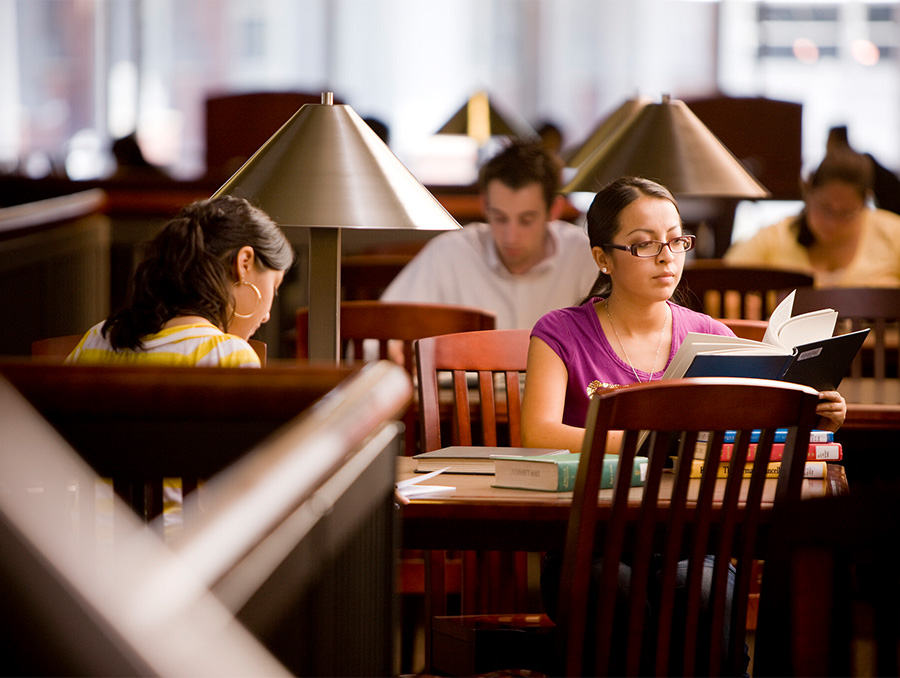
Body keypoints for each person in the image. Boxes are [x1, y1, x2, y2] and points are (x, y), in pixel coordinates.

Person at [521, 176, 846, 675]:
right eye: (644, 244)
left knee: (702, 592)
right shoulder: (561, 331)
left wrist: (810, 413)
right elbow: (538, 433)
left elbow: (746, 436)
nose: (667, 256)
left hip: (696, 541)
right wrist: (650, 444)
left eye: (677, 240)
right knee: (616, 594)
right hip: (592, 544)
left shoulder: (713, 337)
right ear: (602, 257)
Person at [379, 139, 597, 330]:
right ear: (484, 205)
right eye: (500, 218)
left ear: (554, 211)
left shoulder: (582, 255)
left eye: (526, 220)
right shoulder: (451, 253)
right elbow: (377, 334)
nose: (511, 237)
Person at [67, 195, 294, 367]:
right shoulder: (229, 357)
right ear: (244, 263)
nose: (266, 316)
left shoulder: (99, 338)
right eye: (273, 287)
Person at [723, 147, 900, 287]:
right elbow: (720, 283)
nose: (832, 223)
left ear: (864, 204)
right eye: (825, 208)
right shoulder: (775, 238)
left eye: (846, 213)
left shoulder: (893, 233)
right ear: (808, 191)